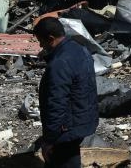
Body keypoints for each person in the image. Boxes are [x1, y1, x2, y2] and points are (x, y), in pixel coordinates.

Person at [34, 17, 98, 168]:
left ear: (51, 38)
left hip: (66, 128)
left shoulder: (59, 63)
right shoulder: (80, 49)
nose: (40, 45)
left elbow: (56, 103)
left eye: (41, 41)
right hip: (81, 119)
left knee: (63, 162)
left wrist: (49, 139)